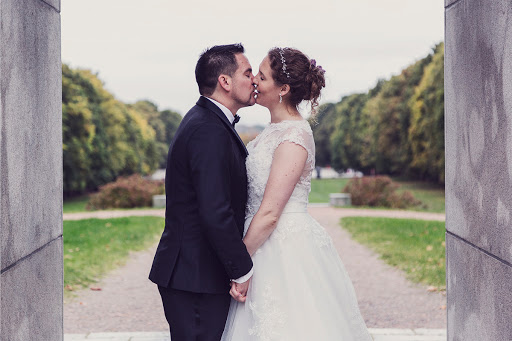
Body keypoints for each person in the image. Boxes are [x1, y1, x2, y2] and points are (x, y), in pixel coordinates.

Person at [221, 47, 372, 340]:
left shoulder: (295, 136)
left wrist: (238, 264)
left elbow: (270, 213)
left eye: (261, 77)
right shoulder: (271, 131)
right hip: (259, 244)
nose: (253, 81)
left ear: (283, 88)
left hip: (282, 249)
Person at [149, 43, 257, 341]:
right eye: (247, 73)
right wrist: (242, 270)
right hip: (194, 275)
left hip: (197, 273)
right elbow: (215, 209)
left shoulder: (211, 122)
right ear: (225, 81)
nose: (254, 81)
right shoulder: (208, 128)